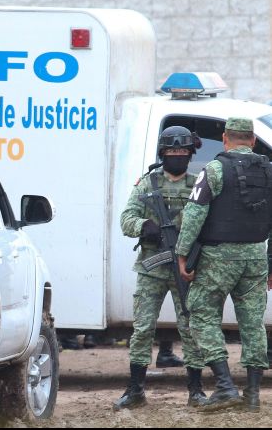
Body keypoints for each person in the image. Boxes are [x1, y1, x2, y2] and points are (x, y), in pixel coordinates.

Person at [176, 117, 272, 412]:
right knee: (253, 324)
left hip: (218, 258)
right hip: (255, 257)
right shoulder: (270, 171)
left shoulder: (215, 169)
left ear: (225, 139)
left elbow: (194, 214)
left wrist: (182, 253)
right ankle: (252, 395)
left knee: (202, 315)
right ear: (253, 140)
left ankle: (225, 386)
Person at [113, 126, 206, 411]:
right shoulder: (147, 184)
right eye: (172, 152)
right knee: (142, 329)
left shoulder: (198, 185)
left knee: (191, 328)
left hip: (185, 268)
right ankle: (135, 389)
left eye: (182, 152)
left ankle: (196, 391)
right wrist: (145, 226)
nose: (177, 156)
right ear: (162, 154)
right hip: (151, 268)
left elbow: (210, 223)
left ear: (190, 154)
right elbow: (126, 218)